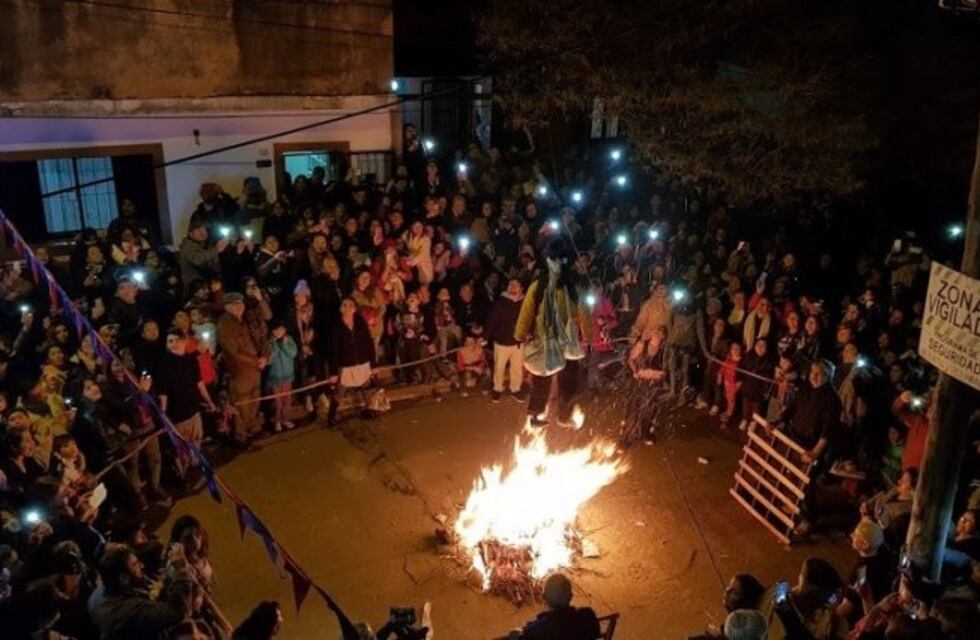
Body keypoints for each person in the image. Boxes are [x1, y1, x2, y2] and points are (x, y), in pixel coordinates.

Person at [515, 238, 589, 427]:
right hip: (546, 338)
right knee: (542, 376)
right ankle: (536, 414)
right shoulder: (540, 285)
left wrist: (588, 336)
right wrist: (520, 334)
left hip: (568, 340)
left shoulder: (572, 286)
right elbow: (527, 310)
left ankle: (563, 415)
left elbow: (584, 311)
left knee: (568, 379)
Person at [87, 543, 190, 639]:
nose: (142, 566)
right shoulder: (128, 610)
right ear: (123, 578)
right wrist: (181, 570)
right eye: (135, 564)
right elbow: (175, 613)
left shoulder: (100, 591)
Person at [157, 329, 216, 482]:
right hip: (177, 413)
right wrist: (163, 413)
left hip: (194, 409)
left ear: (184, 341)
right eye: (169, 341)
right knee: (180, 447)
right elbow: (163, 391)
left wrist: (209, 401)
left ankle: (194, 466)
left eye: (176, 340)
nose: (173, 344)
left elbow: (199, 383)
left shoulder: (191, 360)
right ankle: (183, 474)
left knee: (196, 440)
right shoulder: (164, 364)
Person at [216, 292, 267, 446]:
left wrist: (264, 356)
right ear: (226, 307)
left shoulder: (247, 319)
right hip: (239, 370)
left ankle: (252, 428)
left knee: (254, 399)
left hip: (255, 367)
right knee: (242, 403)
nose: (239, 306)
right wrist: (255, 361)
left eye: (240, 303)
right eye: (234, 304)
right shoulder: (225, 325)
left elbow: (261, 337)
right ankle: (241, 434)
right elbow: (233, 352)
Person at [327, 298, 376, 426]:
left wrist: (373, 364)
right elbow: (333, 349)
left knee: (366, 386)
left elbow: (368, 342)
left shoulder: (360, 322)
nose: (348, 308)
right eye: (345, 305)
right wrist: (333, 371)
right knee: (340, 390)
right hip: (346, 363)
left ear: (355, 308)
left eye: (350, 305)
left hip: (362, 361)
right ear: (341, 308)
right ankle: (331, 415)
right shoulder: (336, 326)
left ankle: (367, 409)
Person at [508, 573, 600, 640]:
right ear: (571, 596)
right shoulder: (588, 617)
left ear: (544, 598)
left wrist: (516, 635)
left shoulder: (538, 629)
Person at [485, 277, 526, 402]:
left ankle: (516, 389)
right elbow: (492, 320)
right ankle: (497, 388)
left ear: (521, 288)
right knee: (499, 367)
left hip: (518, 342)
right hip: (501, 341)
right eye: (511, 284)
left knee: (517, 367)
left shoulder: (524, 303)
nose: (513, 287)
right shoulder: (501, 302)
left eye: (516, 285)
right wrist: (485, 336)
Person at [266, 319, 298, 432]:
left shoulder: (289, 339)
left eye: (281, 329)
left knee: (287, 400)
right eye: (276, 330)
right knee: (277, 402)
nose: (279, 332)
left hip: (288, 376)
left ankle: (286, 419)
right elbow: (270, 359)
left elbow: (293, 353)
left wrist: (284, 344)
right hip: (275, 377)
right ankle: (277, 421)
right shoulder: (269, 342)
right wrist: (274, 344)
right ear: (272, 331)